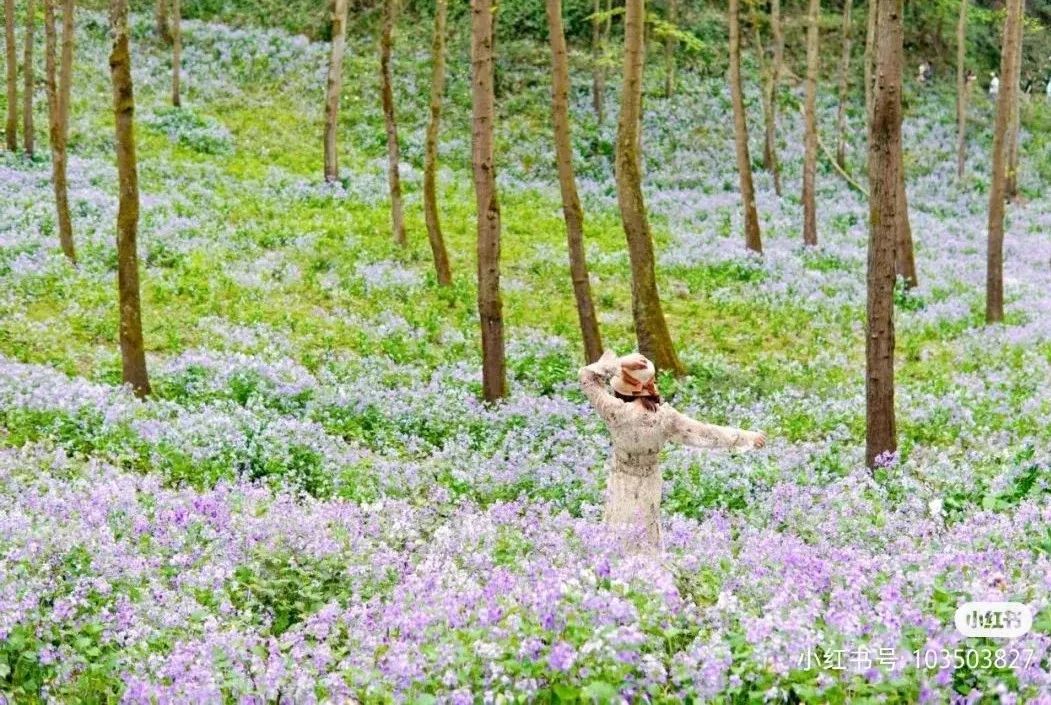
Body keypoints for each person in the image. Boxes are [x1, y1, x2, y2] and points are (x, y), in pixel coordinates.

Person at [579, 350, 765, 553]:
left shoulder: (614, 412)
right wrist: (746, 436)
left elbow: (587, 377)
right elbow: (706, 433)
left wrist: (620, 363)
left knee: (618, 527)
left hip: (621, 479)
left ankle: (614, 574)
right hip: (649, 481)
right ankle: (649, 576)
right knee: (646, 530)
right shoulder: (665, 418)